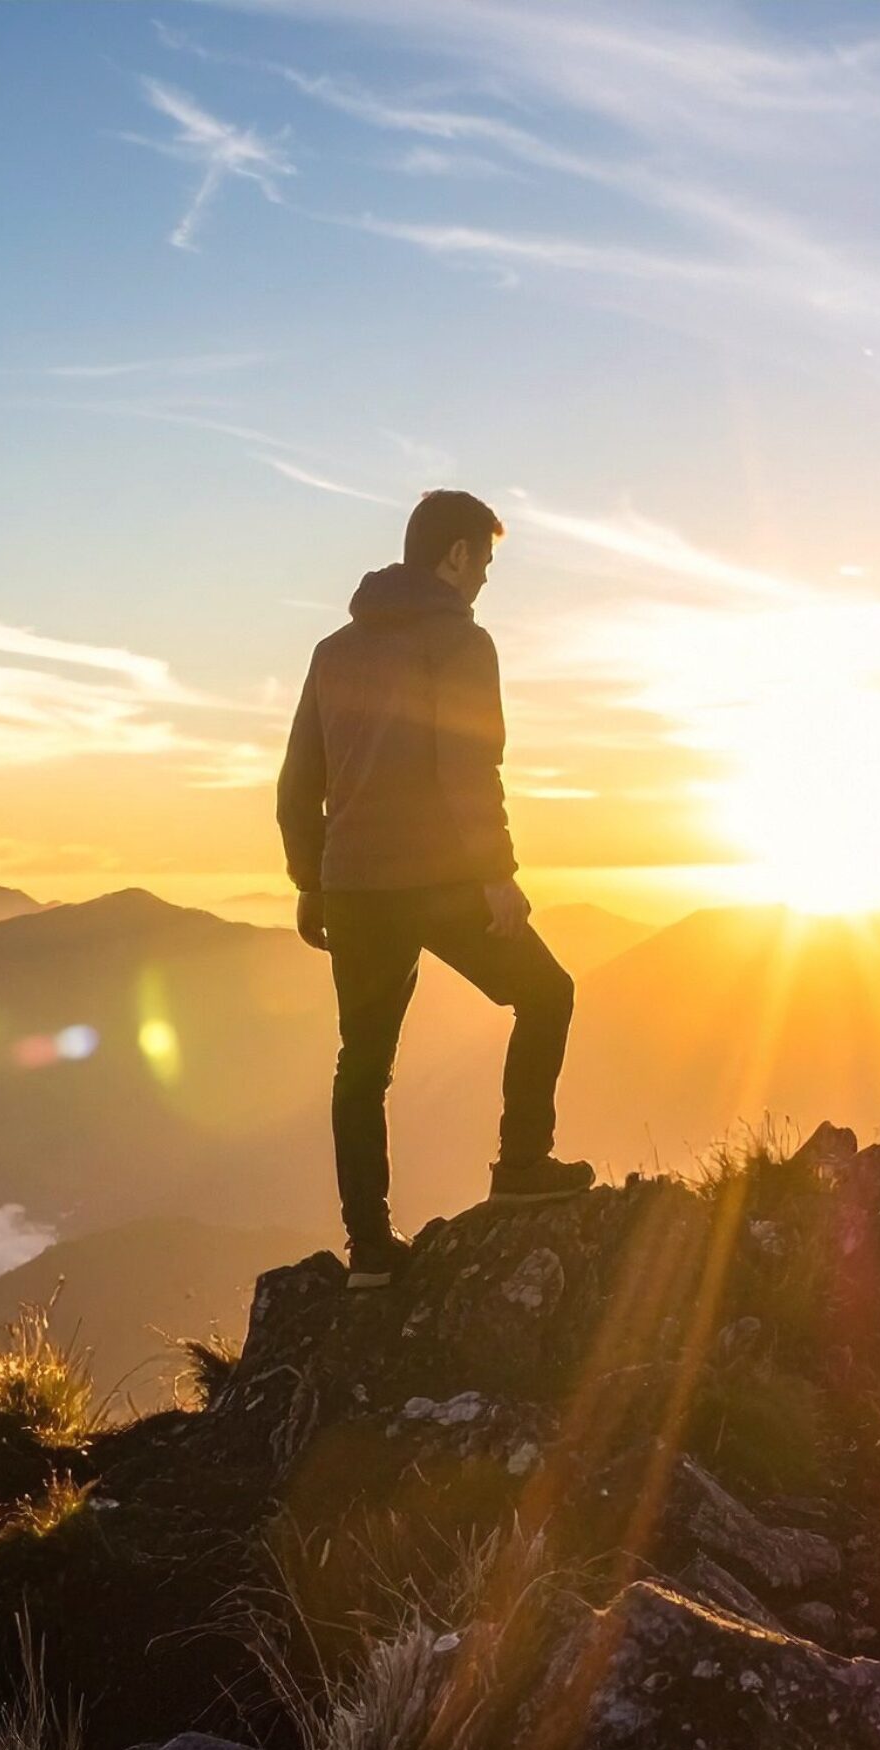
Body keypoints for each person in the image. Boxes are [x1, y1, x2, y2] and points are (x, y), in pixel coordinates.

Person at [277, 489, 594, 1289]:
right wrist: (498, 875)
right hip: (444, 882)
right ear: (454, 555)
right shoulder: (461, 642)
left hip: (353, 890)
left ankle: (370, 1254)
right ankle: (521, 1163)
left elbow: (297, 785)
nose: (485, 579)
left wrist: (311, 884)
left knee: (362, 1065)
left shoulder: (333, 650)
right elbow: (469, 768)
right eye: (482, 562)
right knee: (548, 994)